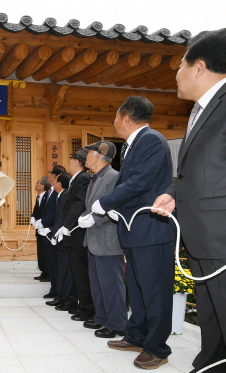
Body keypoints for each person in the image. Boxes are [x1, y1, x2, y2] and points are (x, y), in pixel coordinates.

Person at [152, 29, 226, 373]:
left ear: (199, 67)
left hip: (220, 237)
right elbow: (205, 170)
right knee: (212, 314)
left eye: (180, 65)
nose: (175, 74)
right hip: (203, 236)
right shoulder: (201, 109)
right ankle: (210, 362)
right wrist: (175, 193)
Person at [91, 96, 175, 370]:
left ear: (126, 117)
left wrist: (105, 202)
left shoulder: (151, 139)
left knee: (154, 290)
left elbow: (140, 182)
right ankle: (137, 335)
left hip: (151, 230)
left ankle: (157, 348)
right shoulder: (134, 144)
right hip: (134, 229)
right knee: (137, 288)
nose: (114, 121)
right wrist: (117, 209)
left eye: (116, 115)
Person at [78, 141, 127, 339]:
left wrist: (94, 219)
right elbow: (92, 205)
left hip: (108, 239)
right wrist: (84, 216)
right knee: (98, 282)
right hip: (94, 239)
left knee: (111, 284)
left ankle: (117, 323)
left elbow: (117, 205)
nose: (85, 157)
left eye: (88, 153)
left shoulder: (113, 176)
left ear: (98, 155)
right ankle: (102, 318)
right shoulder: (95, 177)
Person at [55, 148, 94, 322]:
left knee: (81, 273)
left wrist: (66, 225)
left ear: (77, 162)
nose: (69, 163)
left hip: (77, 233)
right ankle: (82, 307)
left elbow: (78, 204)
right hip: (72, 233)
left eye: (71, 160)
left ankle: (87, 310)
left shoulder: (83, 178)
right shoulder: (77, 179)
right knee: (76, 273)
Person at [40, 172, 77, 311]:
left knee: (66, 271)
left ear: (60, 184)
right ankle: (61, 298)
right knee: (61, 270)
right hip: (57, 235)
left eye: (55, 181)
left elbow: (62, 217)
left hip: (64, 237)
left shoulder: (65, 195)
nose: (53, 183)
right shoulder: (61, 196)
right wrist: (50, 229)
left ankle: (67, 299)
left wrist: (52, 230)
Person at [39, 165, 66, 300]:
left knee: (56, 266)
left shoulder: (59, 192)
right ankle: (54, 289)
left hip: (53, 232)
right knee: (51, 265)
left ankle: (58, 292)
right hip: (47, 234)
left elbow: (57, 213)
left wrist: (45, 224)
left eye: (52, 175)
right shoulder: (51, 191)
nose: (50, 177)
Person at [30, 176, 51, 282]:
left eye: (37, 182)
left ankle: (48, 273)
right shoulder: (38, 197)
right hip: (38, 229)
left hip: (46, 229)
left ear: (42, 186)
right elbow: (36, 211)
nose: (36, 184)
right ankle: (43, 271)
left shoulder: (47, 196)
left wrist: (42, 222)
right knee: (41, 251)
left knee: (46, 252)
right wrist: (33, 217)